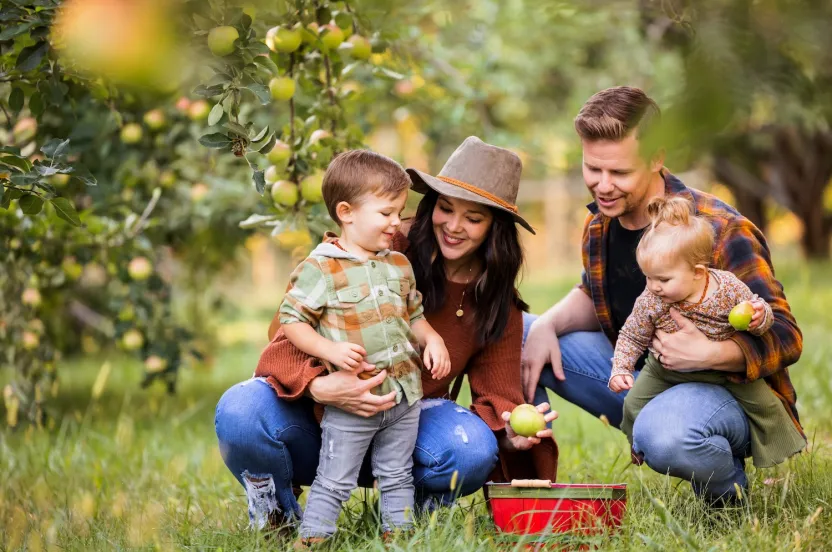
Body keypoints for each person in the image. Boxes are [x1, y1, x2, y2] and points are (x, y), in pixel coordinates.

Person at [215, 136, 558, 534]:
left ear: (495, 229)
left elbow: (497, 395)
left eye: (474, 218)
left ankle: (405, 519)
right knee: (241, 410)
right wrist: (322, 386)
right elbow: (286, 333)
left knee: (471, 448)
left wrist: (509, 433)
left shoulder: (495, 298)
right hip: (329, 420)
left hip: (406, 425)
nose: (454, 226)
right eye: (445, 208)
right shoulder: (379, 245)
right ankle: (277, 517)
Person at [521, 86, 803, 502]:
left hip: (725, 392)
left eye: (619, 173)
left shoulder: (718, 229)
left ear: (656, 158)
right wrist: (546, 324)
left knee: (663, 435)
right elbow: (595, 291)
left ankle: (727, 497)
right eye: (592, 169)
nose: (602, 185)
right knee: (518, 332)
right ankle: (529, 489)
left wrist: (710, 354)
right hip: (646, 376)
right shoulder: (601, 223)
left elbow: (786, 335)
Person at [277, 150, 451, 545]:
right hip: (354, 398)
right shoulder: (321, 267)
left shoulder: (399, 265)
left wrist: (433, 339)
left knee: (397, 473)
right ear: (346, 211)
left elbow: (415, 316)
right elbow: (292, 321)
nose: (396, 222)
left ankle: (399, 535)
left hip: (403, 395)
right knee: (335, 477)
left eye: (399, 211)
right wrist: (329, 351)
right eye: (387, 212)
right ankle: (315, 537)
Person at [608, 195, 805, 469]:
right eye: (648, 277)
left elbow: (759, 312)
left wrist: (759, 317)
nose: (653, 286)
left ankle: (782, 452)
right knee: (631, 405)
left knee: (766, 405)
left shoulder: (726, 288)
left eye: (663, 279)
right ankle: (638, 446)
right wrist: (621, 368)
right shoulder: (651, 300)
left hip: (722, 371)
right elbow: (632, 335)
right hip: (665, 369)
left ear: (698, 272)